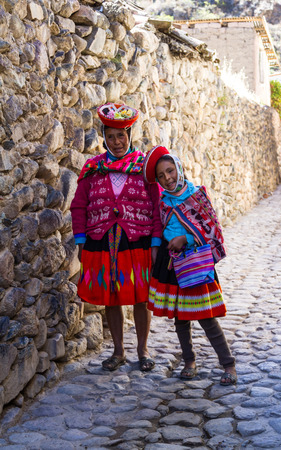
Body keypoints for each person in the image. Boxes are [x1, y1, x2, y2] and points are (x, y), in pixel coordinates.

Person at [70, 103, 162, 372]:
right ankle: (118, 351)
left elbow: (157, 206)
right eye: (111, 136)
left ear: (130, 134)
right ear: (104, 137)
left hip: (138, 241)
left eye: (121, 135)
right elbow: (79, 206)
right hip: (102, 241)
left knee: (141, 297)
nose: (117, 141)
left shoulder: (145, 167)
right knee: (111, 297)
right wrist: (80, 239)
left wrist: (156, 242)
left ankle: (143, 351)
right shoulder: (93, 168)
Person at [143, 146, 237, 385]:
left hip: (196, 261)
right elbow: (158, 226)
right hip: (172, 263)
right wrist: (159, 246)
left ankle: (228, 364)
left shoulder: (197, 196)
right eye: (161, 176)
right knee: (181, 318)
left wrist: (184, 238)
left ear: (179, 168)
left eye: (170, 171)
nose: (167, 179)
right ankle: (189, 361)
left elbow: (213, 230)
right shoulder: (164, 201)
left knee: (206, 316)